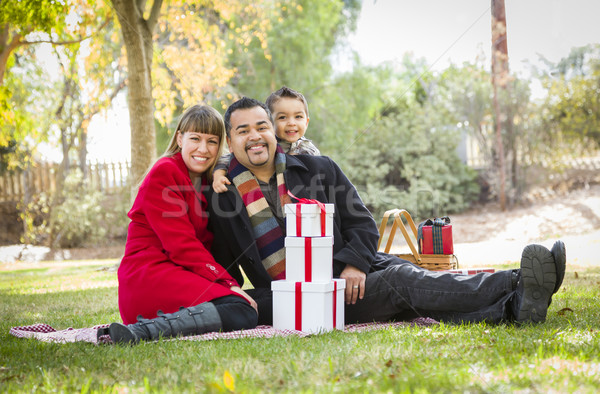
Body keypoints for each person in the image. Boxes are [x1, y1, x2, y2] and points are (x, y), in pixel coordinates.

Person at [206, 97, 567, 326]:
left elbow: (361, 221)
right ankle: (518, 281)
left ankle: (515, 307)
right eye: (243, 131)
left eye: (262, 126)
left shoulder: (317, 168)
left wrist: (354, 265)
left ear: (273, 130)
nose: (254, 136)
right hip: (311, 297)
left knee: (408, 275)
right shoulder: (224, 196)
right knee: (403, 284)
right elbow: (223, 268)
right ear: (231, 141)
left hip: (353, 267)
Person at [104, 105, 258, 344]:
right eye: (195, 139)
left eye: (212, 141)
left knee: (255, 303)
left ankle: (146, 328)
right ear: (179, 138)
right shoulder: (165, 172)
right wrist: (227, 283)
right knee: (241, 308)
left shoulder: (208, 183)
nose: (203, 149)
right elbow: (181, 245)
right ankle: (139, 332)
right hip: (150, 276)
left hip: (181, 273)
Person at [212, 86, 320, 193]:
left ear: (306, 122)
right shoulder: (269, 146)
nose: (291, 123)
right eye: (282, 117)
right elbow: (227, 159)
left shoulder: (310, 150)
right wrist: (218, 175)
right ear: (271, 123)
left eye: (298, 117)